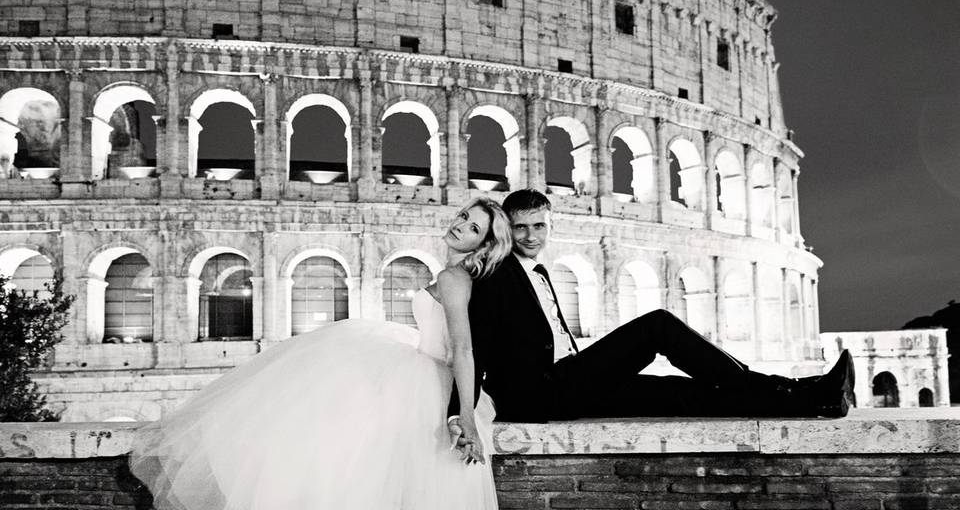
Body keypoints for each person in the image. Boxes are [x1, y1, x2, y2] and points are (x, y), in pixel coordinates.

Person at [130, 196, 513, 510]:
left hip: (427, 378)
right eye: (464, 216)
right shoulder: (457, 275)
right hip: (416, 365)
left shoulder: (453, 278)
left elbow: (463, 348)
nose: (461, 225)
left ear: (483, 245)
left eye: (474, 228)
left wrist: (464, 417)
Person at [448, 189, 855, 429]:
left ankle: (811, 399)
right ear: (507, 230)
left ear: (551, 226)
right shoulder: (497, 275)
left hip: (572, 384)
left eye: (540, 226)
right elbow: (473, 346)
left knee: (679, 394)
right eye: (521, 227)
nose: (531, 236)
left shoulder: (535, 271)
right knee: (657, 327)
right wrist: (460, 411)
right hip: (544, 393)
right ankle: (785, 387)